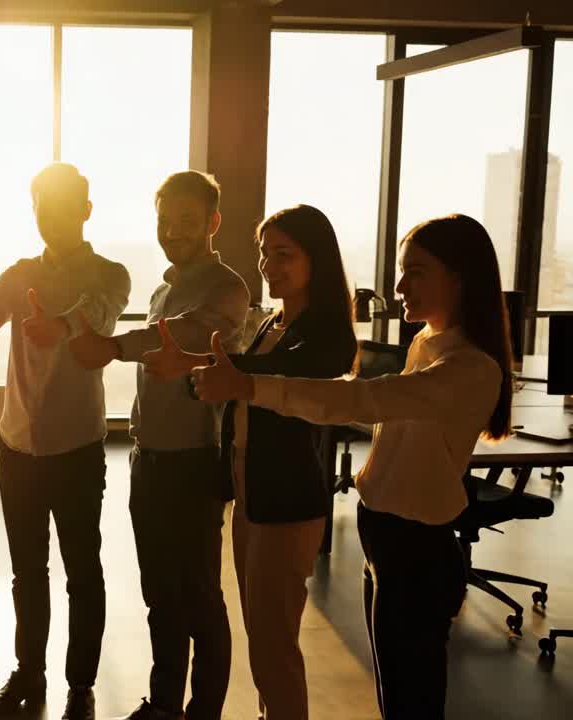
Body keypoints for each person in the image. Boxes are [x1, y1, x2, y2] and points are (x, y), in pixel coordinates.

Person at [190, 214, 513, 720]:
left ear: (461, 277)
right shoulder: (426, 345)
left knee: (412, 698)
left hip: (417, 547)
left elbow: (361, 400)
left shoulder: (469, 368)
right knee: (396, 691)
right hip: (387, 537)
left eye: (417, 272)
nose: (400, 286)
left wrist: (251, 386)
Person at [143, 205, 358, 720]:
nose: (268, 265)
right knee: (262, 634)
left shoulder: (326, 332)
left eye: (284, 255)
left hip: (286, 501)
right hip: (252, 492)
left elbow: (289, 371)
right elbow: (246, 373)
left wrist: (210, 368)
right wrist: (194, 366)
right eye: (264, 253)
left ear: (317, 260)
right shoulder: (273, 323)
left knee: (273, 643)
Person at [68, 170, 248, 720]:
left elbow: (183, 335)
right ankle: (166, 702)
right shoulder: (161, 289)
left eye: (186, 222)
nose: (173, 232)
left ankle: (205, 711)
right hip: (149, 460)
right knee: (159, 595)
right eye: (165, 221)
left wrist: (111, 346)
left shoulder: (227, 288)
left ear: (213, 223)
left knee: (198, 597)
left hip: (196, 462)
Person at [0, 163, 130, 720]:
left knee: (83, 570)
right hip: (17, 446)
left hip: (78, 447)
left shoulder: (109, 274)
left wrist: (61, 326)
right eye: (42, 206)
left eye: (64, 206)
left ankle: (80, 684)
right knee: (27, 572)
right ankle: (29, 674)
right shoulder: (20, 273)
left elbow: (100, 315)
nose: (52, 217)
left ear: (86, 210)